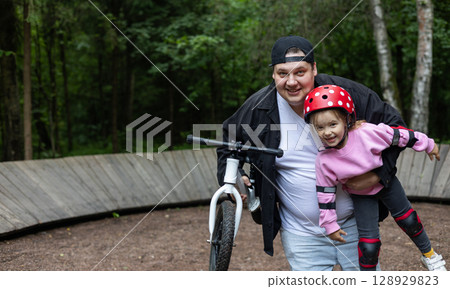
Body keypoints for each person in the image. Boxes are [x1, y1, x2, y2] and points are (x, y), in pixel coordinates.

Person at [217, 35, 406, 271]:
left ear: (314, 69)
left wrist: (380, 174)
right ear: (273, 74)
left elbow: (397, 128)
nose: (291, 81)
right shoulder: (258, 108)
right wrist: (233, 178)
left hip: (356, 226)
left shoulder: (346, 94)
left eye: (300, 72)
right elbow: (227, 143)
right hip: (301, 236)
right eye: (282, 73)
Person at [304, 85, 447, 271]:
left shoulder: (367, 133)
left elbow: (400, 136)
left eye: (333, 124)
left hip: (387, 185)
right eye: (320, 128)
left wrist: (427, 144)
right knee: (369, 246)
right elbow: (325, 194)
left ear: (347, 119)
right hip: (360, 195)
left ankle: (430, 256)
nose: (327, 132)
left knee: (408, 220)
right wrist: (330, 224)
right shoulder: (324, 160)